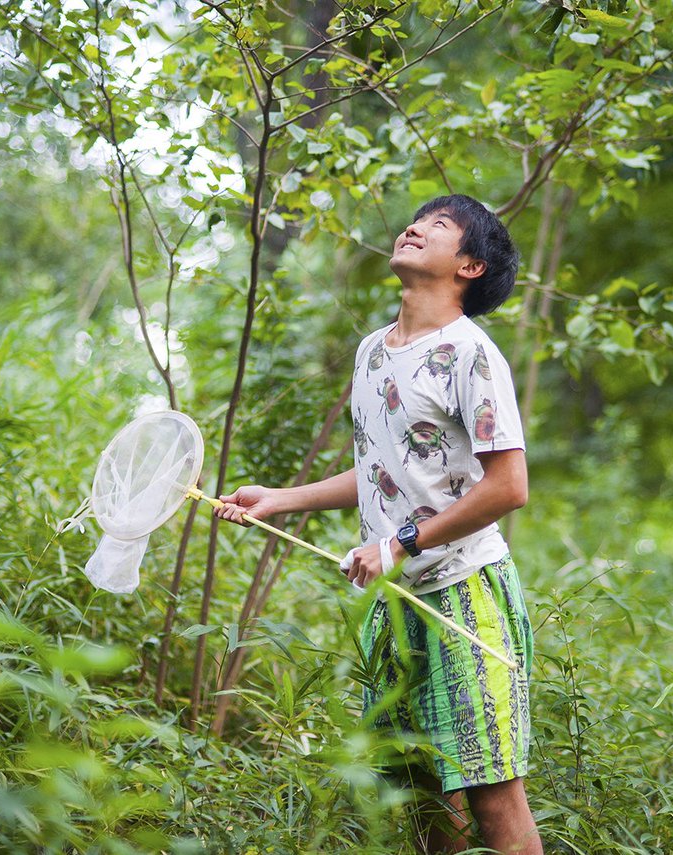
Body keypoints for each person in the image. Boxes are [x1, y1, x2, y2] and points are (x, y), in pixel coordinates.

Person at [215, 194, 541, 855]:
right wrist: (279, 498)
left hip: (463, 593)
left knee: (492, 791)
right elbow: (379, 472)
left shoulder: (470, 355)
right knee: (424, 794)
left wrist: (401, 541)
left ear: (470, 266)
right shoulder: (372, 351)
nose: (414, 227)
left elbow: (509, 487)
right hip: (394, 605)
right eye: (416, 219)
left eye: (440, 225)